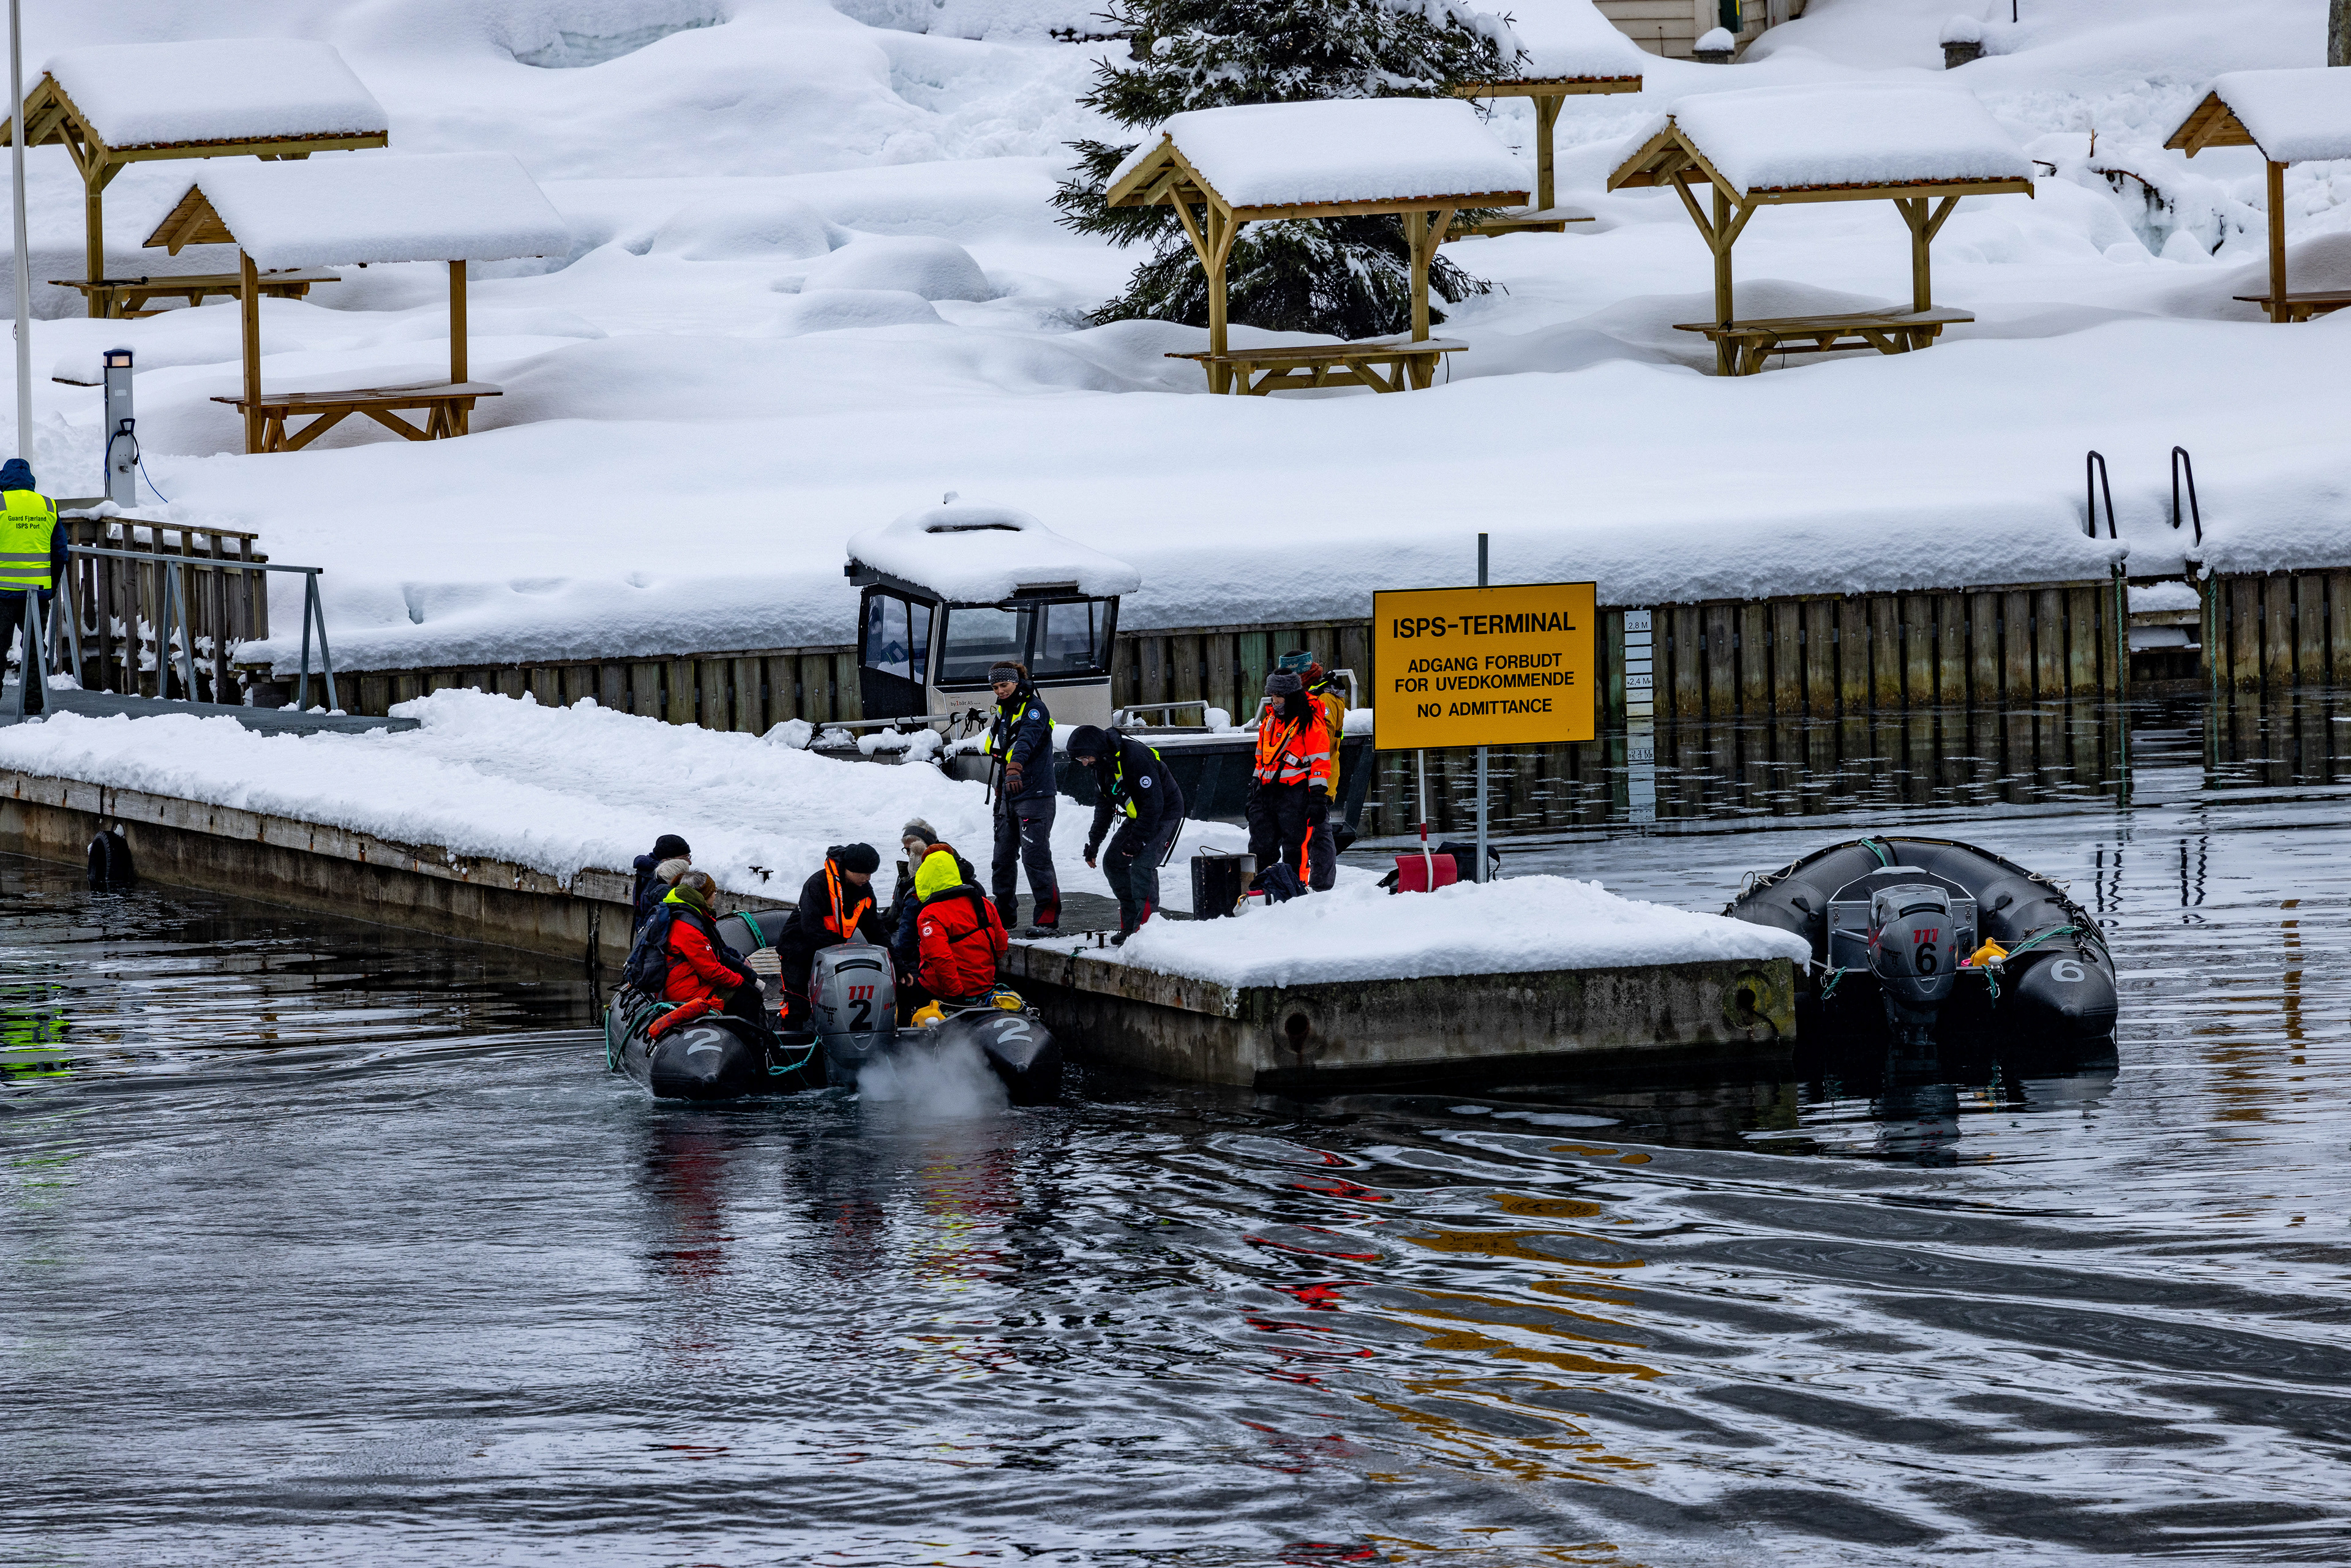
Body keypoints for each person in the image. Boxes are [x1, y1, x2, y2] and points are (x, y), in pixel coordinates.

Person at [1067, 723, 1185, 944]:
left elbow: (1154, 804)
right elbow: (1104, 808)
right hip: (1138, 815)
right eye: (1079, 760)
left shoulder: (1136, 757)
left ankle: (1147, 929)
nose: (1083, 763)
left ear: (1096, 750)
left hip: (1164, 814)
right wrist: (1094, 843)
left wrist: (1137, 839)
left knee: (1143, 866)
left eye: (1085, 757)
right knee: (1113, 863)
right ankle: (1131, 923)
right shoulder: (1101, 766)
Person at [984, 660, 1060, 935]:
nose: (1000, 691)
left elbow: (1026, 741)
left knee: (1035, 858)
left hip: (1035, 795)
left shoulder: (1035, 709)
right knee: (1002, 859)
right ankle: (1003, 918)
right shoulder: (1003, 713)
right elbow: (997, 748)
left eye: (1004, 685)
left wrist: (1015, 768)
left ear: (1016, 682)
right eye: (995, 687)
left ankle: (1047, 920)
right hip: (1008, 794)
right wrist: (1002, 783)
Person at [776, 842, 890, 1021]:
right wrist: (839, 955)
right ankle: (791, 1045)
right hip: (797, 951)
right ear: (851, 869)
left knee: (835, 1002)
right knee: (797, 1005)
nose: (868, 878)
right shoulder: (817, 885)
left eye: (871, 874)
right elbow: (811, 928)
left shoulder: (864, 892)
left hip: (831, 953)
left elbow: (877, 931)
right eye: (865, 873)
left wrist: (898, 965)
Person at [1246, 670, 1330, 900]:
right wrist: (1254, 788)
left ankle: (1296, 891)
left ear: (1292, 695)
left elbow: (1320, 761)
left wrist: (1318, 798)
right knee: (1261, 845)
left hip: (1296, 793)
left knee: (1295, 847)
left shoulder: (1310, 721)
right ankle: (1261, 889)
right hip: (1266, 792)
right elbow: (1262, 757)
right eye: (1272, 696)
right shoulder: (1269, 720)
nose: (1275, 701)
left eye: (1279, 696)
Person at [647, 870, 756, 1040]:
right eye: (714, 893)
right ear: (704, 896)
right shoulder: (688, 927)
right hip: (685, 991)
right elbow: (711, 971)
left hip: (678, 982)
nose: (715, 897)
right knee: (749, 996)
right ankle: (750, 1046)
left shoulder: (678, 913)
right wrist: (742, 981)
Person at [1278, 650, 1348, 892]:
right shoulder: (1314, 694)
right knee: (1311, 831)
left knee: (1319, 830)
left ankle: (1321, 884)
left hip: (1318, 777)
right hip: (1307, 777)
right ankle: (1309, 881)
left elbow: (1322, 744)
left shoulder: (1324, 699)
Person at [0, 459, 64, 716]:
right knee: (35, 649)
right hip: (36, 593)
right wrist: (51, 586)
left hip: (3, 593)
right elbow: (59, 552)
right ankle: (33, 703)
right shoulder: (47, 506)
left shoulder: (1, 504)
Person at [910, 841, 1008, 1007]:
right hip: (985, 987)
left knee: (904, 990)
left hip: (944, 991)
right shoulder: (983, 904)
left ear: (924, 877)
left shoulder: (930, 915)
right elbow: (1001, 945)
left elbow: (941, 959)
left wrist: (956, 995)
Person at [631, 833, 692, 937]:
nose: (689, 862)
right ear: (666, 861)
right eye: (684, 858)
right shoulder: (658, 883)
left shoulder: (645, 875)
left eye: (689, 857)